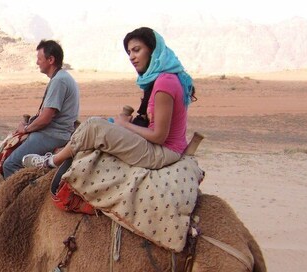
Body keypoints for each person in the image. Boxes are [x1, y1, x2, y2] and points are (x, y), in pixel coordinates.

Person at [23, 27, 195, 172]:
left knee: (94, 125)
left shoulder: (165, 82)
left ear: (153, 50)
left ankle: (51, 162)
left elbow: (159, 136)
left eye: (137, 50)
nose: (131, 57)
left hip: (163, 153)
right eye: (129, 52)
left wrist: (125, 125)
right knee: (101, 124)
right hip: (161, 148)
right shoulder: (162, 79)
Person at [0, 39, 80, 178]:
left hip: (53, 135)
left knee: (10, 164)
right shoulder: (62, 77)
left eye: (39, 58)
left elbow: (46, 118)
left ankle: (21, 198)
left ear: (50, 60)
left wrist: (25, 129)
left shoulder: (59, 81)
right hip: (55, 132)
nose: (37, 62)